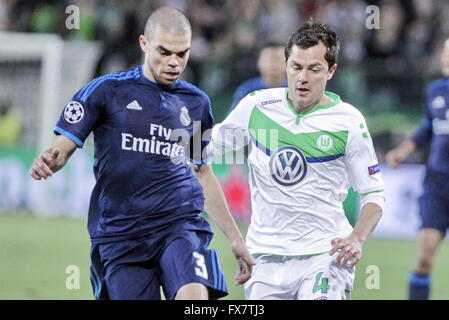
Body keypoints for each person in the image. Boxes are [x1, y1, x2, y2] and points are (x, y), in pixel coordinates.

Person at [29, 7, 254, 300]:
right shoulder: (106, 91)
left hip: (178, 225)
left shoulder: (196, 103)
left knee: (194, 301)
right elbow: (62, 149)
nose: (174, 62)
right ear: (143, 43)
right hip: (120, 234)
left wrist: (236, 239)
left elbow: (202, 171)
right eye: (164, 52)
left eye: (182, 54)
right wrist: (51, 159)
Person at [211, 21, 385, 300]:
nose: (302, 77)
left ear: (331, 71)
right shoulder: (256, 106)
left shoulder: (348, 122)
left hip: (324, 256)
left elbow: (374, 194)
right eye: (296, 67)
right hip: (263, 259)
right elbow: (201, 148)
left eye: (314, 69)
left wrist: (357, 238)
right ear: (286, 65)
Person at [385, 39, 449, 300]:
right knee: (424, 258)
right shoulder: (435, 90)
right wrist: (403, 150)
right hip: (436, 183)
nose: (446, 58)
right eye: (445, 53)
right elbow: (427, 128)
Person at [230, 43, 287, 110]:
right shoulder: (247, 90)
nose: (273, 64)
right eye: (269, 60)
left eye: (278, 59)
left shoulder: (295, 90)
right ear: (259, 63)